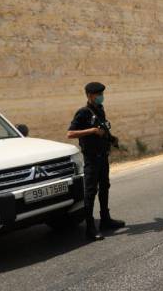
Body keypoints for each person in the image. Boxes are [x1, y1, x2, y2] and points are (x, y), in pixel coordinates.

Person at [67, 82, 125, 241]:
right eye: (99, 94)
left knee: (105, 186)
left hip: (102, 155)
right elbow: (70, 133)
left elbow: (103, 129)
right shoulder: (83, 113)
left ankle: (105, 219)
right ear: (90, 95)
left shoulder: (99, 110)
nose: (101, 97)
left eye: (102, 94)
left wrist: (111, 138)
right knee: (91, 191)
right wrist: (91, 131)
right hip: (91, 158)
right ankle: (90, 228)